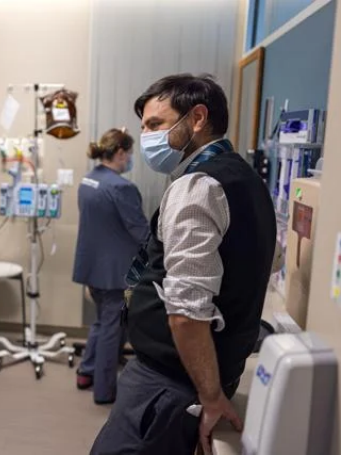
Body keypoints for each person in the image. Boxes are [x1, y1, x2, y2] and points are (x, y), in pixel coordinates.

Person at [91, 74, 277, 454]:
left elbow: (186, 312)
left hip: (167, 384)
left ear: (197, 118)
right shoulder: (244, 177)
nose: (146, 138)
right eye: (143, 128)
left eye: (156, 125)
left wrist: (210, 397)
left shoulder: (199, 187)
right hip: (191, 375)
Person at [72, 128, 150, 405]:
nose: (130, 159)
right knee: (112, 329)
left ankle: (87, 371)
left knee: (101, 322)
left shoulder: (88, 180)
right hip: (116, 273)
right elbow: (140, 230)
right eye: (129, 153)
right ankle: (104, 392)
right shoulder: (121, 187)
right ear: (119, 153)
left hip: (92, 268)